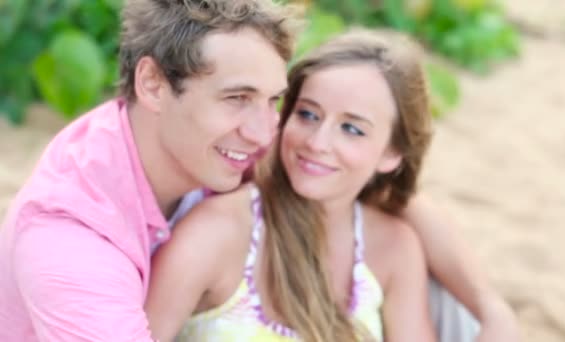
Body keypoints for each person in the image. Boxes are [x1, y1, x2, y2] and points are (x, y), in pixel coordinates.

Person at [0, 0, 518, 341]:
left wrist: (491, 307)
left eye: (273, 101)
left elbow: (395, 199)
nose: (265, 132)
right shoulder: (71, 249)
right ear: (153, 84)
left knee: (454, 308)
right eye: (237, 98)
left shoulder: (214, 139)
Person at [145, 29, 437, 341]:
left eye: (351, 128)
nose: (317, 142)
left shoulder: (394, 249)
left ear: (392, 153)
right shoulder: (214, 235)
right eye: (308, 114)